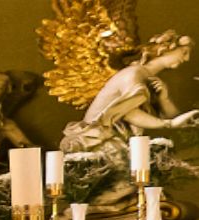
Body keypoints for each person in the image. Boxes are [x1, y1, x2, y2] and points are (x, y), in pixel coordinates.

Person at [61, 31, 199, 160]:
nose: (186, 58)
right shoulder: (134, 73)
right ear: (165, 48)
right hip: (97, 140)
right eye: (184, 52)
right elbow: (128, 113)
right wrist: (169, 124)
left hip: (119, 141)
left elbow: (175, 119)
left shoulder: (150, 79)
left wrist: (164, 99)